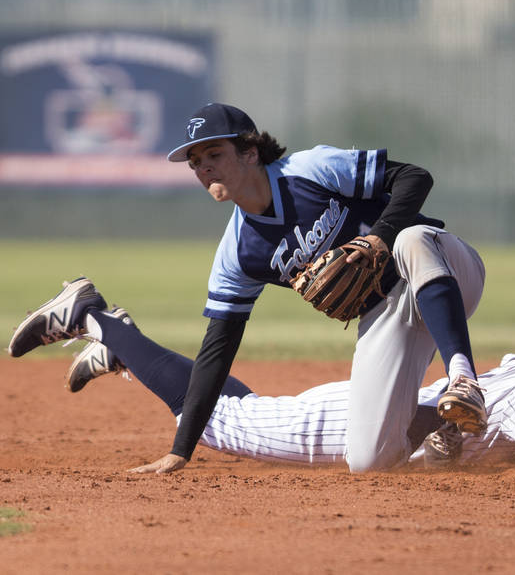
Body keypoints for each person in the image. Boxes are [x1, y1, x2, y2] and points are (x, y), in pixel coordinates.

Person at [9, 103, 488, 474]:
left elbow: (415, 177)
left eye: (214, 154)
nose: (205, 169)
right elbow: (218, 351)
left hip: (443, 269)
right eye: (196, 162)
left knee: (412, 238)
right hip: (387, 314)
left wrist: (379, 238)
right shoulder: (238, 252)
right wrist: (181, 451)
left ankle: (464, 378)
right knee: (369, 458)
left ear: (250, 152)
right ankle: (441, 420)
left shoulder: (310, 169)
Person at [11, 289, 515, 469]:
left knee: (246, 408)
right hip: (360, 423)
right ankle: (90, 315)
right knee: (219, 426)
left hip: (388, 412)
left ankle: (124, 351)